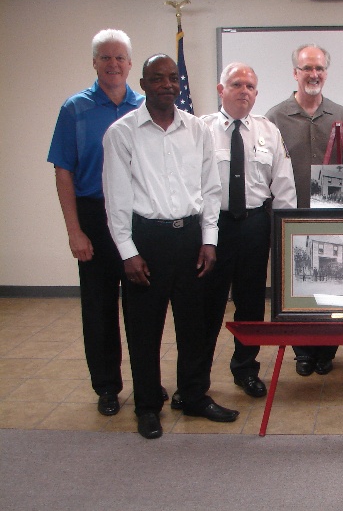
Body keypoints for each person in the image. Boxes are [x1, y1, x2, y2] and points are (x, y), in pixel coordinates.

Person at [102, 54, 239, 439]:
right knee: (144, 329)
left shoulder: (197, 130)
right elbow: (116, 199)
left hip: (191, 238)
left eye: (172, 79)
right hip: (146, 240)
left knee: (194, 326)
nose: (167, 85)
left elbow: (211, 190)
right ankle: (147, 406)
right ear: (143, 83)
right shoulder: (122, 132)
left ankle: (194, 396)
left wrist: (209, 240)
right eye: (157, 78)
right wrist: (127, 252)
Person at [47, 29, 158, 417]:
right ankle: (108, 387)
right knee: (99, 308)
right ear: (94, 62)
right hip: (94, 215)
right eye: (105, 58)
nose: (113, 65)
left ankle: (148, 382)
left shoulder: (145, 106)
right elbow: (64, 173)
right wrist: (74, 231)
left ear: (130, 64)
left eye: (120, 58)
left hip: (136, 216)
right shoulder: (74, 109)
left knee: (142, 307)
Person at [192, 62, 296, 401]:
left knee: (251, 303)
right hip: (213, 228)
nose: (244, 91)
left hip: (254, 224)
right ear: (221, 90)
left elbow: (283, 187)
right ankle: (197, 378)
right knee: (208, 304)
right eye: (236, 84)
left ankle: (246, 370)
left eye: (250, 86)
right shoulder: (200, 129)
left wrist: (284, 236)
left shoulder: (268, 131)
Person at [266, 44, 343, 377]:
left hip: (333, 220)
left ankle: (326, 350)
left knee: (330, 285)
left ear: (326, 72)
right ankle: (303, 352)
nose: (313, 74)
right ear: (295, 73)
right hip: (290, 220)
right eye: (307, 68)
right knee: (296, 289)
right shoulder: (274, 117)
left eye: (319, 68)